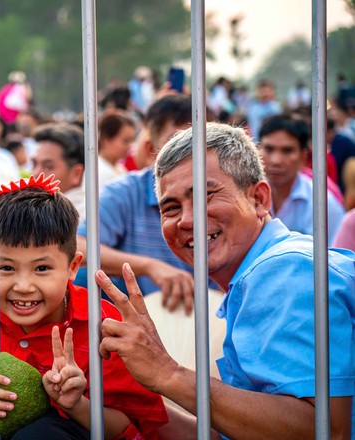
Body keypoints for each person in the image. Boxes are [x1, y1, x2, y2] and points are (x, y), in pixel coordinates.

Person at [98, 122, 354, 439]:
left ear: (259, 199)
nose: (188, 219)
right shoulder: (259, 274)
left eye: (206, 195)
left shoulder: (283, 270)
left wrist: (168, 373)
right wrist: (125, 404)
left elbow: (323, 430)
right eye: (172, 207)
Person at [0, 175, 168, 439]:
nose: (24, 285)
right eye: (6, 268)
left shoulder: (104, 324)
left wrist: (77, 405)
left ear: (72, 267)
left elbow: (136, 428)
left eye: (42, 268)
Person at [76, 95, 199, 313]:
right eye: (176, 143)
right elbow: (79, 247)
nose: (188, 153)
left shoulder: (222, 195)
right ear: (152, 147)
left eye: (198, 142)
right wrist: (150, 267)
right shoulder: (124, 192)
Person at [258, 115, 344, 244]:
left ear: (303, 156)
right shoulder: (245, 196)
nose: (276, 160)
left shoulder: (324, 204)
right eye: (269, 149)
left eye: (287, 151)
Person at [31, 122, 86, 219]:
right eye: (34, 164)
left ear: (76, 173)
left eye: (48, 166)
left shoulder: (85, 219)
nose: (35, 173)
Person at [97, 110, 137, 191]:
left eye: (131, 141)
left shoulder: (119, 168)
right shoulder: (99, 173)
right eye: (125, 141)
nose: (130, 146)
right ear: (106, 140)